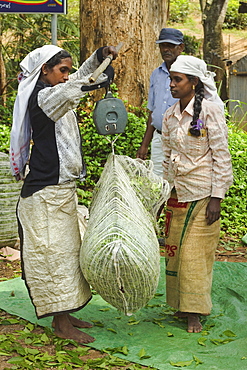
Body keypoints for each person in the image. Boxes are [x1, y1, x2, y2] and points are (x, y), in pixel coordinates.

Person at [10, 44, 118, 344]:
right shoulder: (44, 96)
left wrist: (99, 57)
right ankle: (60, 324)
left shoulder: (57, 87)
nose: (66, 76)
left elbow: (78, 80)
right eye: (62, 70)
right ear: (44, 70)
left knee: (69, 255)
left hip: (61, 190)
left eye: (68, 70)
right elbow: (76, 88)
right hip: (44, 195)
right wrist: (98, 77)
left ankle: (67, 314)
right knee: (53, 259)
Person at [162, 55, 233, 333]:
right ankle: (181, 305)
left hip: (204, 194)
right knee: (176, 253)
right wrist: (164, 192)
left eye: (177, 79)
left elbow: (221, 155)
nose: (172, 84)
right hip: (178, 193)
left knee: (195, 255)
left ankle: (195, 312)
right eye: (171, 79)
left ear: (193, 82)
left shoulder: (210, 111)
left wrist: (217, 197)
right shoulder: (169, 115)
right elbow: (167, 157)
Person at [136, 28, 184, 177]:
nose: (166, 49)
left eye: (171, 45)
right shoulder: (156, 74)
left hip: (181, 141)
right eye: (163, 45)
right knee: (157, 183)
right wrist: (144, 145)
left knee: (180, 183)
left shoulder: (189, 75)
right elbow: (153, 112)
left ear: (181, 47)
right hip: (159, 138)